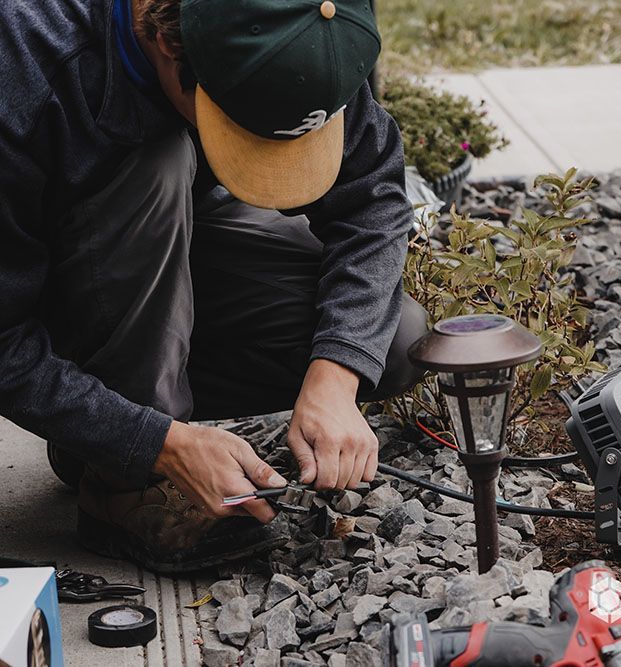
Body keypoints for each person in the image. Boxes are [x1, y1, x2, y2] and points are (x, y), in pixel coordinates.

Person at [0, 0, 426, 572]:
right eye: (242, 132)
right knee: (159, 161)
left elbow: (372, 197)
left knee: (392, 341)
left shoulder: (295, 29)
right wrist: (157, 443)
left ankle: (99, 419)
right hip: (40, 277)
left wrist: (334, 377)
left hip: (173, 234)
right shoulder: (26, 67)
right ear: (169, 44)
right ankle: (121, 485)